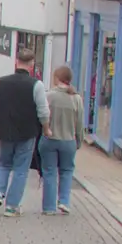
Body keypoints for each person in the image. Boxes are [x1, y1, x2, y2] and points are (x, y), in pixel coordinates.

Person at [0, 45, 49, 216]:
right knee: (21, 168)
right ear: (31, 64)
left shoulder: (2, 82)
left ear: (16, 62)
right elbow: (43, 111)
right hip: (27, 131)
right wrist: (46, 128)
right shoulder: (36, 85)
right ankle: (12, 206)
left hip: (5, 130)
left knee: (4, 164)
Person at [40, 65, 83, 215]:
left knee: (49, 172)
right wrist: (79, 141)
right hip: (68, 141)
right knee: (66, 171)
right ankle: (64, 201)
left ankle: (49, 207)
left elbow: (42, 117)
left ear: (57, 78)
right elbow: (79, 124)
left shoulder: (48, 96)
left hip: (49, 139)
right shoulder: (76, 99)